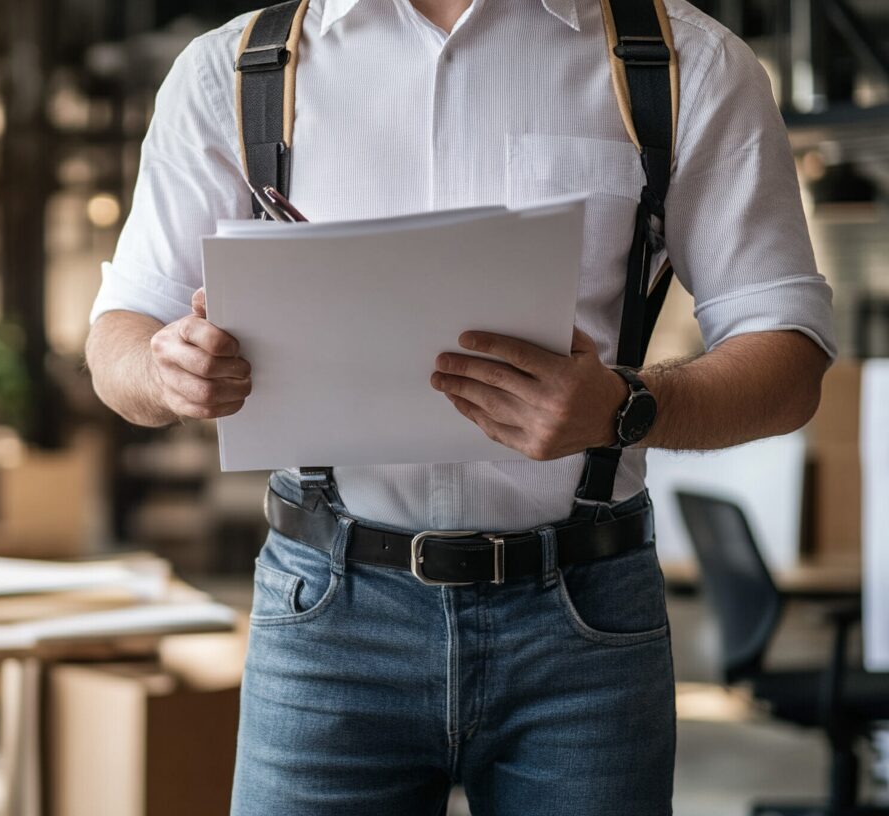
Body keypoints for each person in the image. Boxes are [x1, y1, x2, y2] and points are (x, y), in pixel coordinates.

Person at [84, 0, 836, 812]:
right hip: (330, 618)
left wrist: (625, 407)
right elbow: (119, 337)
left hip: (582, 626)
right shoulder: (235, 69)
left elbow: (788, 359)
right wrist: (166, 374)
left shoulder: (682, 62)